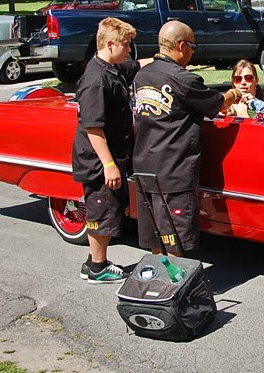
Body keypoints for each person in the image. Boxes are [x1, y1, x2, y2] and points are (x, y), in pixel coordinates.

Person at [132, 20, 241, 257]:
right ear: (182, 46)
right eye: (193, 46)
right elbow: (217, 104)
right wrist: (233, 93)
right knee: (175, 239)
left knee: (156, 235)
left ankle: (159, 283)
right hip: (174, 171)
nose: (193, 51)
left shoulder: (143, 75)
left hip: (144, 167)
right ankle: (174, 286)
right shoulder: (185, 80)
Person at [72, 17, 151, 284]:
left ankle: (94, 262)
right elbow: (93, 128)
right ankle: (97, 267)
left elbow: (137, 65)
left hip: (115, 153)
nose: (129, 50)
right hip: (97, 160)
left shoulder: (112, 68)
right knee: (101, 211)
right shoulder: (95, 80)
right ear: (110, 44)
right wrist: (108, 165)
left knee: (111, 209)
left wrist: (164, 58)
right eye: (126, 44)